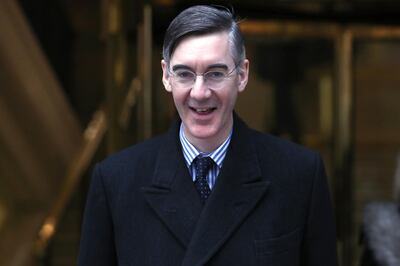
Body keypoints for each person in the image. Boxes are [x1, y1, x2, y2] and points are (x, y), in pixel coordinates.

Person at [78, 5, 337, 266]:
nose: (199, 92)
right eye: (184, 74)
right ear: (166, 76)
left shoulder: (300, 175)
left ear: (242, 75)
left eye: (215, 73)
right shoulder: (115, 182)